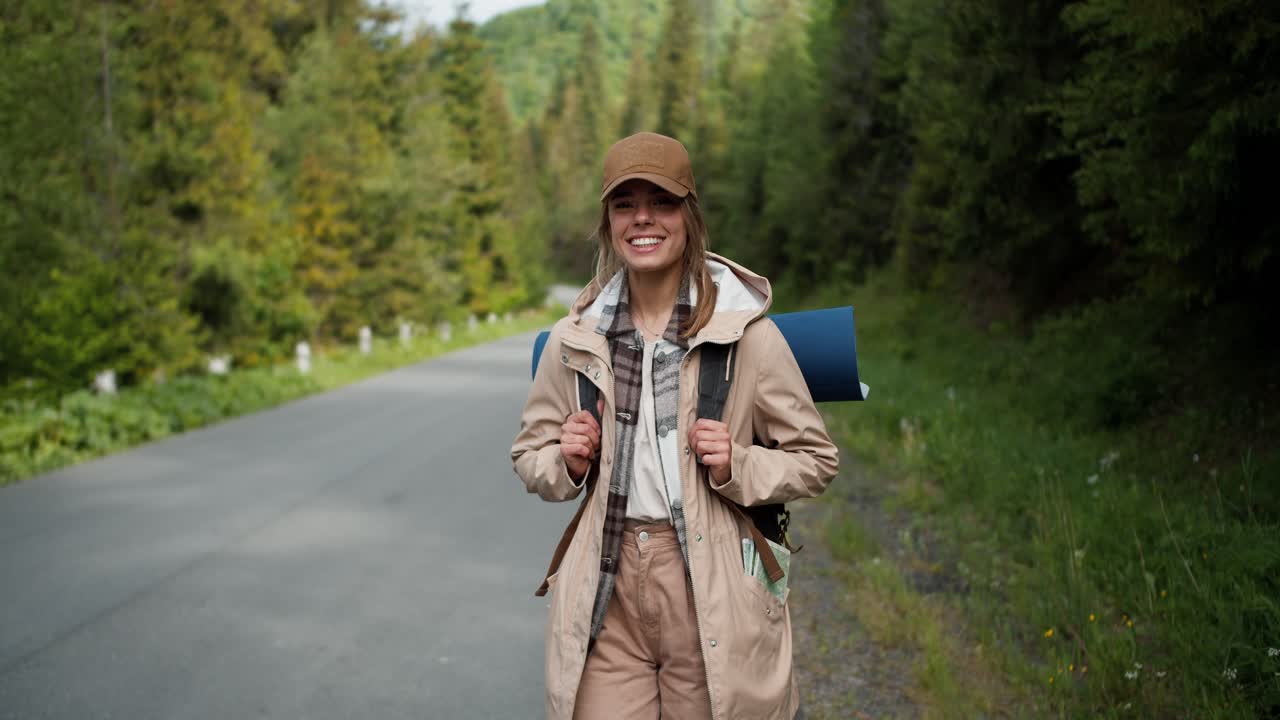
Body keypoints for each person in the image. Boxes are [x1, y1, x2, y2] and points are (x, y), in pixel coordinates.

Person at [511, 131, 839, 720]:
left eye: (661, 201)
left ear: (689, 214)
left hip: (709, 587)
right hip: (606, 589)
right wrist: (565, 460)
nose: (643, 218)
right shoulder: (575, 340)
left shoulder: (747, 336)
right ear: (608, 220)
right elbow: (529, 453)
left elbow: (816, 459)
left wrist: (738, 463)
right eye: (624, 203)